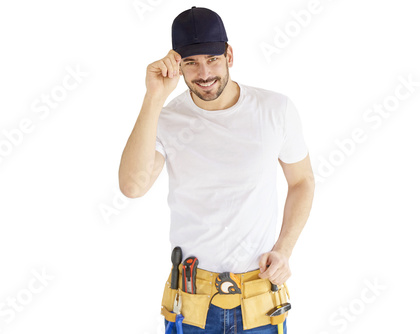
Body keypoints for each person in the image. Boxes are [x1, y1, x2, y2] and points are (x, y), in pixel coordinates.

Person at [119, 6, 315, 333]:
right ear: (177, 65)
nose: (204, 73)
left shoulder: (275, 109)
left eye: (212, 59)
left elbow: (303, 181)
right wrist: (154, 98)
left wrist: (284, 249)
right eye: (191, 63)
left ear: (229, 54)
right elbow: (132, 187)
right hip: (192, 301)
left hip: (260, 298)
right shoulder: (166, 120)